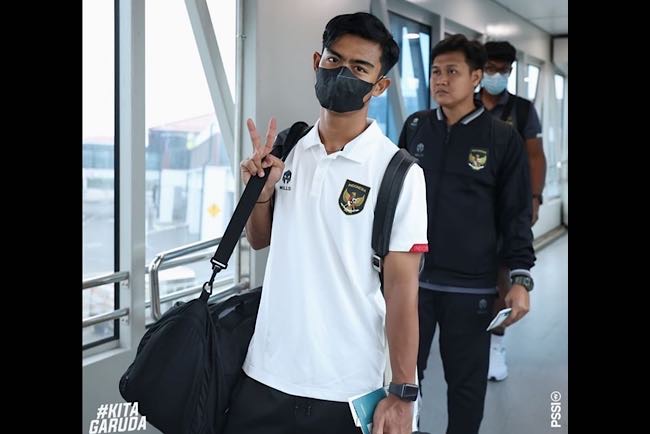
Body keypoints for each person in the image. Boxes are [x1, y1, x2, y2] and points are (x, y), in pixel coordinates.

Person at [223, 12, 429, 434]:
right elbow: (260, 240)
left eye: (359, 67)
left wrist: (403, 392)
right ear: (316, 60)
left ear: (379, 85)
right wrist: (259, 195)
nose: (342, 73)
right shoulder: (289, 148)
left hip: (347, 387)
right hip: (264, 372)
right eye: (334, 61)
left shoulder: (398, 172)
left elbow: (402, 291)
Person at [398, 34, 536, 434]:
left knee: (465, 387)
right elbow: (394, 201)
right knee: (403, 381)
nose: (441, 79)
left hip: (470, 288)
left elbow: (516, 213)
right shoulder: (416, 126)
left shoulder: (501, 137)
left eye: (452, 71)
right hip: (413, 284)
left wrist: (519, 278)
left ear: (477, 76)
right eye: (436, 71)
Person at [478, 40, 547, 381]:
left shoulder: (521, 110)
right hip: (468, 209)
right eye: (491, 68)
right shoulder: (468, 104)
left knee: (501, 278)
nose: (497, 75)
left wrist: (534, 198)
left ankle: (495, 346)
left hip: (506, 208)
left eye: (503, 70)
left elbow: (535, 155)